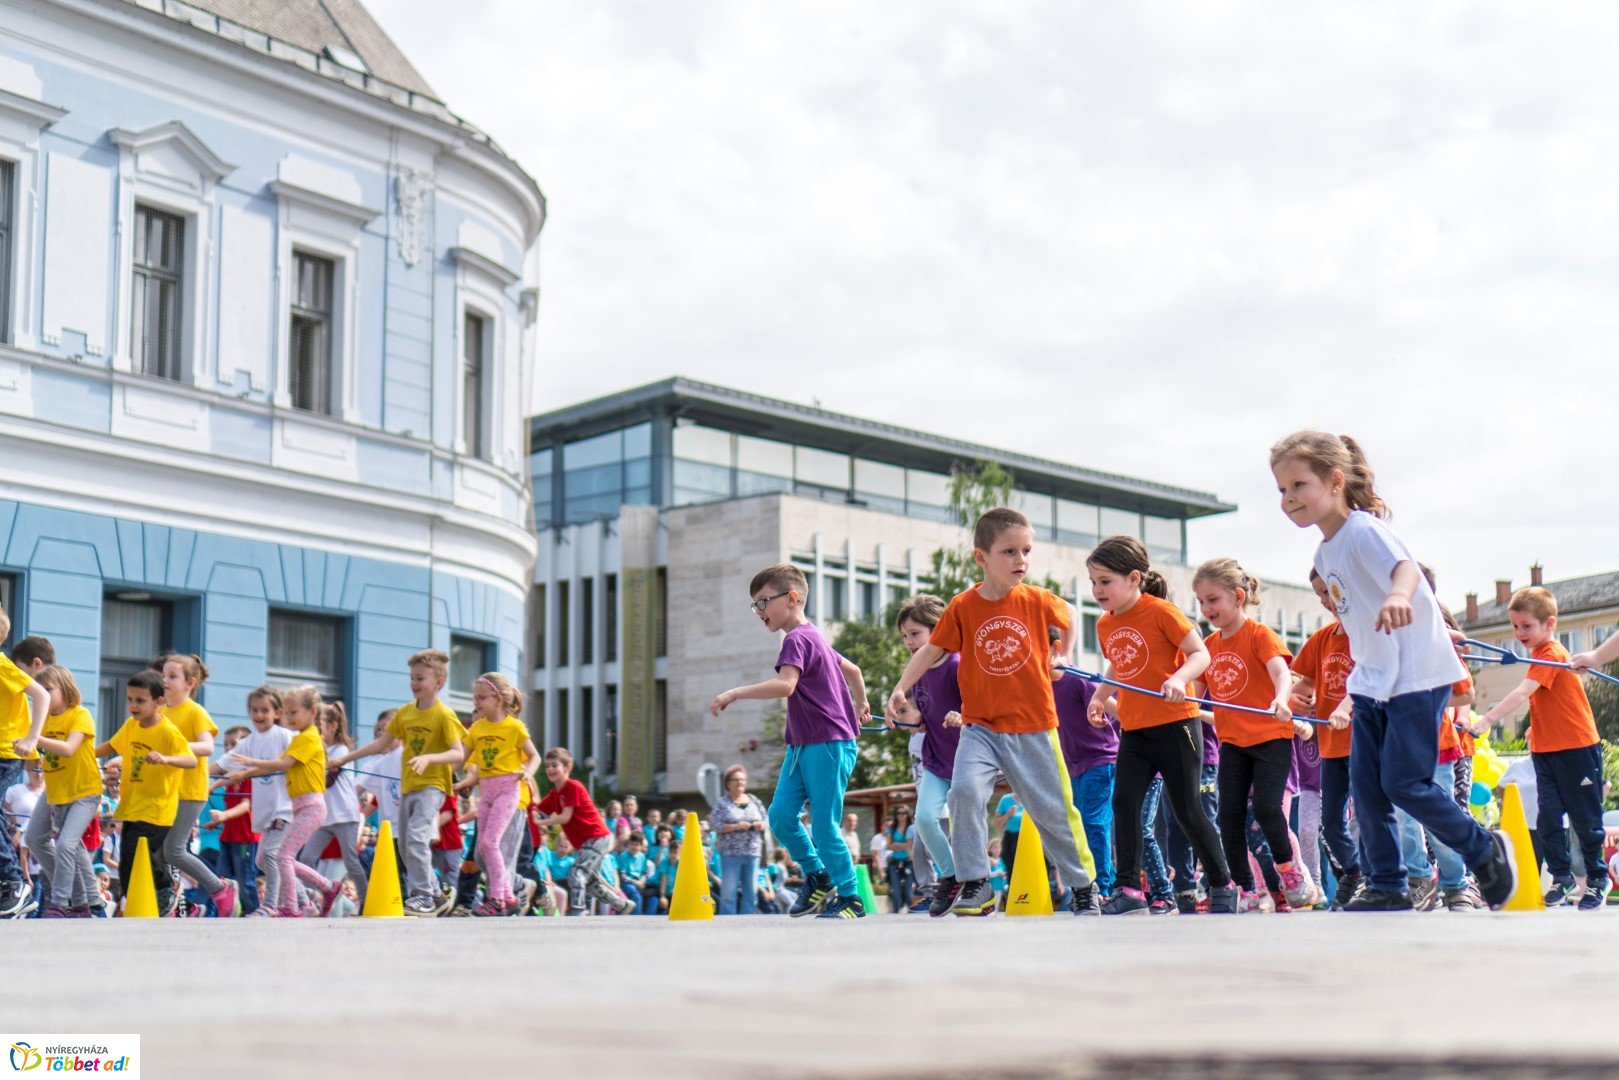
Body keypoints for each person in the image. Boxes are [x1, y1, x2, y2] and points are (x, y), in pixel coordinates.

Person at [1270, 429, 1515, 910]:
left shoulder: (1362, 531)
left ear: (1336, 481)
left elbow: (1405, 568)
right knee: (1368, 790)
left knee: (1404, 782)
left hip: (1416, 677)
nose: (1289, 498)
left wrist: (1402, 596)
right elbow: (1358, 618)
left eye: (1299, 485)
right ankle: (1387, 884)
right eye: (1282, 490)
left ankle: (1482, 849)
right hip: (1373, 682)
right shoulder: (1325, 553)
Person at [888, 507, 1097, 917]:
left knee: (1054, 810)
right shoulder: (964, 606)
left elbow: (1069, 615)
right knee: (963, 792)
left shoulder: (1037, 600)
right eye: (1009, 552)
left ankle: (1083, 885)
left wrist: (1063, 653)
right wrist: (900, 686)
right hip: (980, 726)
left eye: (1026, 551)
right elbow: (932, 649)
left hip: (1034, 726)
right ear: (981, 557)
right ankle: (977, 882)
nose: (1021, 560)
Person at [1085, 536, 1239, 914]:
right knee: (1124, 804)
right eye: (1093, 582)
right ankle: (1129, 891)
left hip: (1177, 726)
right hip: (1135, 730)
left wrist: (1177, 679)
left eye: (1105, 581)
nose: (1097, 590)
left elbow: (1200, 653)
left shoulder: (1162, 613)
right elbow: (1119, 663)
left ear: (1134, 578)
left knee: (1187, 810)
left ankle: (1223, 884)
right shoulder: (1106, 624)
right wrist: (1099, 695)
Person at [711, 563, 870, 919]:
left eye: (763, 602)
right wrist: (860, 701)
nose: (759, 612)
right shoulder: (813, 638)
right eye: (755, 605)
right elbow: (854, 671)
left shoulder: (798, 638)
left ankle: (851, 897)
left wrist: (734, 692)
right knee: (781, 816)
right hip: (802, 745)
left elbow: (786, 685)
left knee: (825, 824)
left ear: (792, 598)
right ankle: (817, 874)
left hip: (828, 743)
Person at [1190, 557, 1316, 912]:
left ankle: (1290, 871)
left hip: (1270, 739)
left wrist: (1280, 698)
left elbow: (1280, 672)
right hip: (1233, 743)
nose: (1206, 608)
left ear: (1238, 597)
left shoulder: (1260, 635)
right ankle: (1243, 887)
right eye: (1201, 602)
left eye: (1213, 600)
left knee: (1266, 809)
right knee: (1227, 816)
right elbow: (1194, 691)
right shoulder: (1209, 646)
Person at [1478, 586, 1606, 910]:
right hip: (1547, 751)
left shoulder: (1551, 653)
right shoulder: (1537, 654)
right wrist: (1540, 727)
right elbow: (1547, 699)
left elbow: (1523, 692)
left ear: (1549, 624)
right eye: (1515, 626)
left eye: (1526, 626)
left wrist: (1488, 718)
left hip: (1576, 748)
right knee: (1548, 816)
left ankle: (1596, 878)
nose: (1519, 633)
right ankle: (1561, 877)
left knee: (1584, 818)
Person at [332, 650, 467, 917]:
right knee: (405, 845)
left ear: (439, 682)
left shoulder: (444, 715)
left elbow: (458, 753)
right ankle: (437, 892)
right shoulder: (405, 713)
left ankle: (424, 896)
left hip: (432, 787)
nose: (414, 683)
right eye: (412, 678)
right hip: (409, 787)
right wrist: (346, 757)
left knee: (416, 839)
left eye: (420, 678)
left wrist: (428, 758)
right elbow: (381, 744)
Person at [228, 685, 345, 918]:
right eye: (287, 712)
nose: (288, 718)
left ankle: (290, 907)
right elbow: (274, 768)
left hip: (310, 806)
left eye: (294, 712)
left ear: (312, 712)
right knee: (281, 857)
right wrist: (242, 774)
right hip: (300, 806)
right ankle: (329, 887)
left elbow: (281, 765)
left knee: (282, 856)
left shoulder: (308, 738)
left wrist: (249, 764)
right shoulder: (301, 739)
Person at [93, 671, 196, 914]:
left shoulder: (167, 731)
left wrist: (165, 758)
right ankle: (137, 901)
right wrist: (86, 753)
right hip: (132, 805)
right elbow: (111, 745)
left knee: (136, 851)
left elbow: (190, 760)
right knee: (128, 863)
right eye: (130, 699)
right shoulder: (131, 725)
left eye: (140, 701)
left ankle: (166, 886)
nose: (133, 706)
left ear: (159, 702)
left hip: (157, 809)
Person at [1291, 570, 1362, 908]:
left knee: (1367, 817)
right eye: (1319, 595)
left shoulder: (1367, 635)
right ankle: (1354, 871)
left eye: (1329, 592)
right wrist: (1293, 698)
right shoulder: (1322, 639)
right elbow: (1302, 685)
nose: (1325, 601)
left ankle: (1379, 878)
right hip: (1331, 747)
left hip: (1364, 743)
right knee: (1331, 824)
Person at [892, 595, 965, 916]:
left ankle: (977, 880)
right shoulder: (916, 673)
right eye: (905, 636)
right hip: (935, 760)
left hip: (967, 760)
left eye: (915, 633)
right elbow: (922, 716)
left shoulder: (958, 664)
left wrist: (963, 715)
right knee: (923, 819)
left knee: (967, 825)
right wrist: (912, 721)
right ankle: (951, 875)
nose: (909, 641)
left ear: (938, 629)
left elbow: (981, 703)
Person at [154, 654, 236, 917]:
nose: (165, 680)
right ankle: (179, 905)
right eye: (163, 675)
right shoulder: (161, 712)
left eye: (172, 676)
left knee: (174, 850)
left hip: (190, 792)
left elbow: (207, 746)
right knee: (157, 852)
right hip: (166, 791)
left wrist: (175, 747)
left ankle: (220, 888)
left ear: (190, 682)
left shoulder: (195, 712)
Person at [455, 673, 540, 916]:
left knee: (490, 843)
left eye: (481, 697)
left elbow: (535, 756)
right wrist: (450, 780)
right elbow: (461, 757)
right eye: (475, 697)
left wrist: (527, 774)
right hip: (486, 791)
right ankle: (510, 897)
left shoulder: (514, 727)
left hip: (508, 789)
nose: (476, 702)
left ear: (498, 699)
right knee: (482, 849)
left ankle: (496, 899)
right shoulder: (478, 728)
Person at [212, 688, 296, 917]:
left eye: (265, 710)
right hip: (265, 813)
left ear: (277, 712)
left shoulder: (285, 737)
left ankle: (270, 906)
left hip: (285, 810)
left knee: (271, 855)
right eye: (254, 710)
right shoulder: (249, 742)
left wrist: (249, 769)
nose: (259, 715)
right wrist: (201, 778)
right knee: (266, 858)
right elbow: (223, 767)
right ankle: (307, 897)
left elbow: (292, 761)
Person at [26, 666, 101, 917]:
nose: (43, 696)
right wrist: (23, 748)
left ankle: (59, 903)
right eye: (40, 691)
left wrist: (35, 738)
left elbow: (69, 748)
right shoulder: (42, 719)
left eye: (48, 690)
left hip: (84, 792)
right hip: (56, 791)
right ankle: (81, 900)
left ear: (65, 687)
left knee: (66, 845)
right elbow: (34, 760)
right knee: (37, 839)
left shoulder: (80, 715)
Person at [531, 747, 635, 915]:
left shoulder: (573, 786)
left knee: (577, 873)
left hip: (597, 837)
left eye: (554, 765)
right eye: (547, 766)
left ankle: (578, 910)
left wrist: (541, 821)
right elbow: (536, 809)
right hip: (587, 843)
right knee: (591, 883)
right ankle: (622, 905)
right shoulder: (554, 795)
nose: (549, 769)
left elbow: (565, 817)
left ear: (567, 767)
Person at [0, 605, 50, 917]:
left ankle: (14, 880)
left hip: (5, 752)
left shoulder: (3, 666)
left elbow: (42, 695)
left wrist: (32, 739)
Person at [1053, 662, 1115, 902]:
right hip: (1073, 765)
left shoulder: (1079, 678)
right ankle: (1090, 885)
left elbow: (1114, 708)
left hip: (1101, 758)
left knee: (1094, 823)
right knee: (1080, 827)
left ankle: (1102, 889)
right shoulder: (1041, 686)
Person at [298, 703, 368, 907]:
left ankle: (364, 899)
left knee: (350, 861)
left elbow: (328, 779)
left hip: (345, 815)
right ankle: (308, 899)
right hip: (326, 817)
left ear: (333, 726)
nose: (316, 731)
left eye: (319, 725)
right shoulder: (320, 749)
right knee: (307, 857)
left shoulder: (341, 750)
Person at [709, 764, 766, 915]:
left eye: (743, 780)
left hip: (753, 851)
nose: (740, 783)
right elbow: (715, 825)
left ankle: (747, 924)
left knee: (751, 891)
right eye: (736, 780)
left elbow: (766, 821)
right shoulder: (722, 803)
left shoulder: (754, 800)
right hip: (731, 853)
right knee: (729, 892)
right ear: (728, 783)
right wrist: (737, 826)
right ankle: (727, 925)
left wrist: (760, 825)